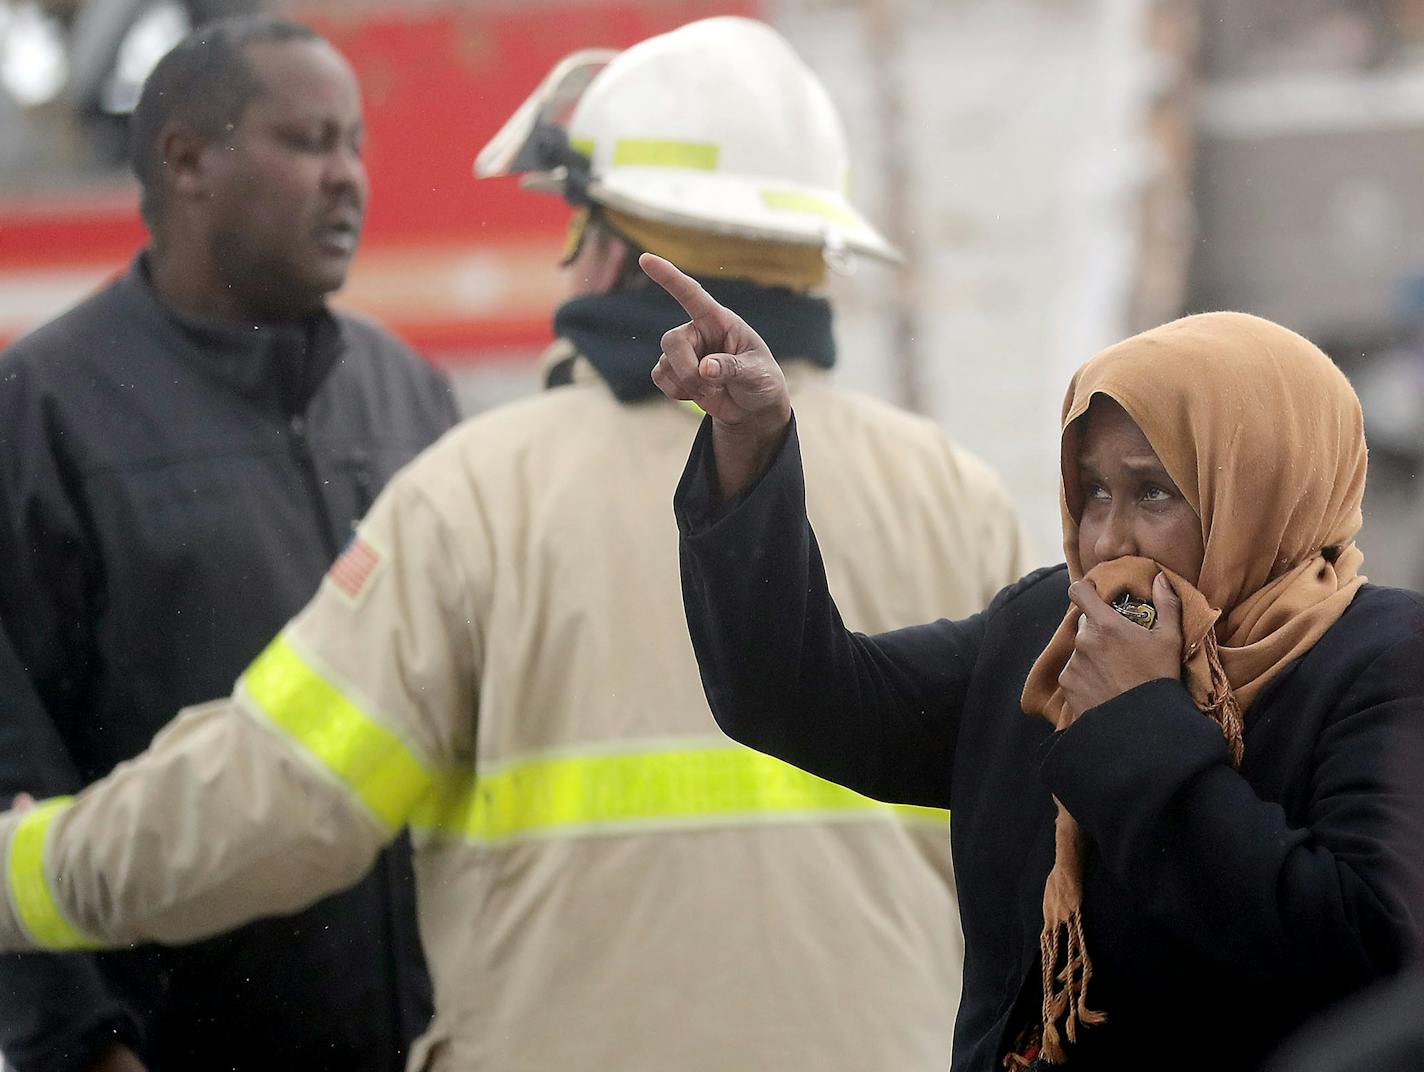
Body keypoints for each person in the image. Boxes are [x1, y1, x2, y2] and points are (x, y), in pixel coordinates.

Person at [0, 17, 1028, 1072]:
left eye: (574, 229)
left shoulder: (477, 494)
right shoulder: (959, 497)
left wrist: (30, 869)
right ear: (815, 251)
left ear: (622, 252)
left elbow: (280, 797)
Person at [641, 254, 1424, 1072]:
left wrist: (1137, 724)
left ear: (1263, 487)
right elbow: (793, 693)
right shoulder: (1045, 639)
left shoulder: (1381, 664)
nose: (1108, 540)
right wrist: (752, 442)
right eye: (1091, 493)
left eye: (1155, 493)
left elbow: (1367, 951)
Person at [0, 16, 455, 1072]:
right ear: (186, 160)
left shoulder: (408, 395)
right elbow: (15, 756)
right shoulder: (45, 410)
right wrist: (85, 1044)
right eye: (306, 143)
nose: (348, 178)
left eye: (356, 144)